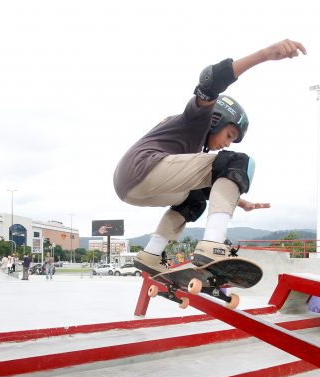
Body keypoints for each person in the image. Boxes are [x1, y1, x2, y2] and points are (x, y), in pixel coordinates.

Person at [113, 38, 306, 276]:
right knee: (238, 161)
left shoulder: (191, 145)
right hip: (144, 167)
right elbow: (210, 80)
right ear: (217, 119)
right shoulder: (198, 118)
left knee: (194, 198)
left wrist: (239, 200)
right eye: (229, 134)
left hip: (130, 186)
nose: (227, 143)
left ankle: (152, 254)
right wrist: (265, 54)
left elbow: (207, 182)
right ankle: (214, 243)